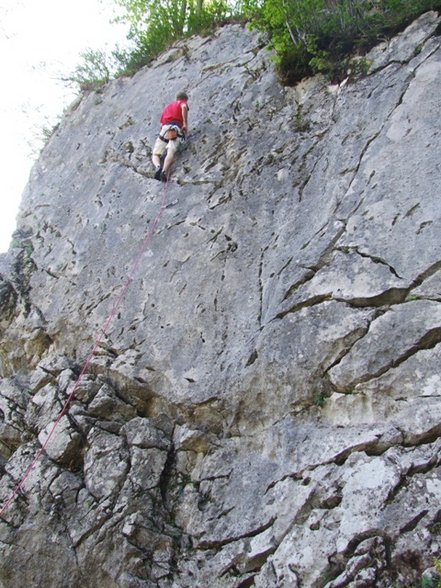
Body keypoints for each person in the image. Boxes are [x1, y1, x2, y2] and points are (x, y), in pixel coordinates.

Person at [152, 91, 189, 182]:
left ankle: (157, 166)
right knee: (170, 150)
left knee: (155, 154)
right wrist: (185, 123)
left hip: (164, 129)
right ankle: (164, 171)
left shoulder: (167, 107)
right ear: (185, 99)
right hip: (175, 128)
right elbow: (184, 107)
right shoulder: (182, 103)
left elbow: (161, 124)